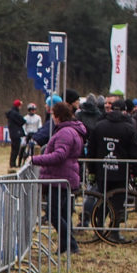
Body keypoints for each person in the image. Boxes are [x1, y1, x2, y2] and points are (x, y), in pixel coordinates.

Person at [31, 101, 86, 255]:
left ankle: (71, 244)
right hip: (64, 177)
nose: (52, 118)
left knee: (53, 213)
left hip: (59, 178)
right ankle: (65, 246)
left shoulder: (65, 132)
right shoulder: (70, 130)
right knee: (62, 214)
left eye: (53, 115)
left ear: (58, 116)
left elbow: (59, 155)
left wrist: (36, 159)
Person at [86, 97, 137, 242]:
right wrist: (136, 173)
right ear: (124, 111)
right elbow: (135, 153)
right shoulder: (129, 128)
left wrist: (91, 170)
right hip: (121, 172)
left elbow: (91, 150)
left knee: (102, 201)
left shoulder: (99, 126)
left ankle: (98, 231)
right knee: (117, 203)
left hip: (102, 170)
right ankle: (114, 232)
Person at [5, 99, 26, 169]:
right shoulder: (14, 113)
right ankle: (12, 163)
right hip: (16, 133)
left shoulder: (11, 113)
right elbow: (22, 121)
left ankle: (12, 163)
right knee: (15, 149)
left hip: (13, 133)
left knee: (14, 148)